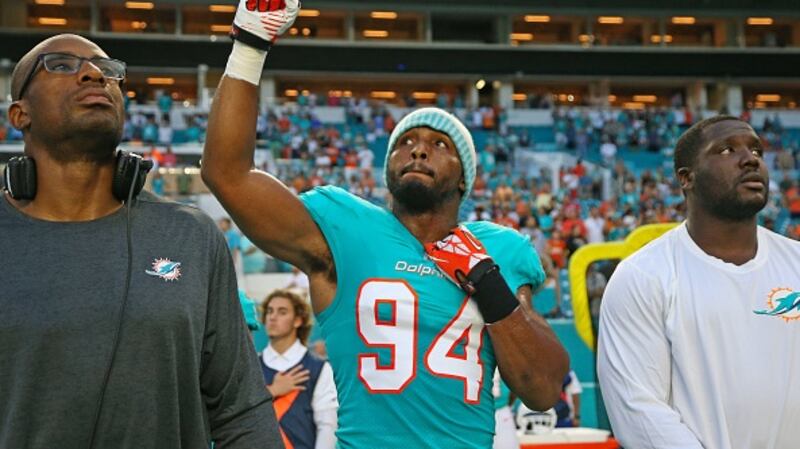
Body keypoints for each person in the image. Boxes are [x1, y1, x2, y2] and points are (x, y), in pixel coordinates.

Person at [201, 2, 569, 447]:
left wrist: (487, 283)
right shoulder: (343, 230)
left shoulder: (498, 249)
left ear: (465, 177)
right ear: (388, 166)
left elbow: (544, 390)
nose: (418, 150)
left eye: (439, 144)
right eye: (406, 143)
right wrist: (251, 44)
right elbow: (227, 174)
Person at [0, 34, 281, 448]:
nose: (95, 74)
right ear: (19, 114)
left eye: (109, 71)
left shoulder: (191, 236)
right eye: (60, 65)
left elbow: (240, 411)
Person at [598, 116, 800, 449]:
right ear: (686, 178)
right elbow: (640, 412)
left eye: (756, 150)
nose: (750, 159)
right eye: (726, 150)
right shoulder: (644, 277)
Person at [260, 289, 338, 449]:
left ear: (297, 320)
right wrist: (272, 391)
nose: (272, 317)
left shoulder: (319, 368)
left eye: (282, 312)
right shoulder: (252, 366)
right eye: (269, 311)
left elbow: (328, 426)